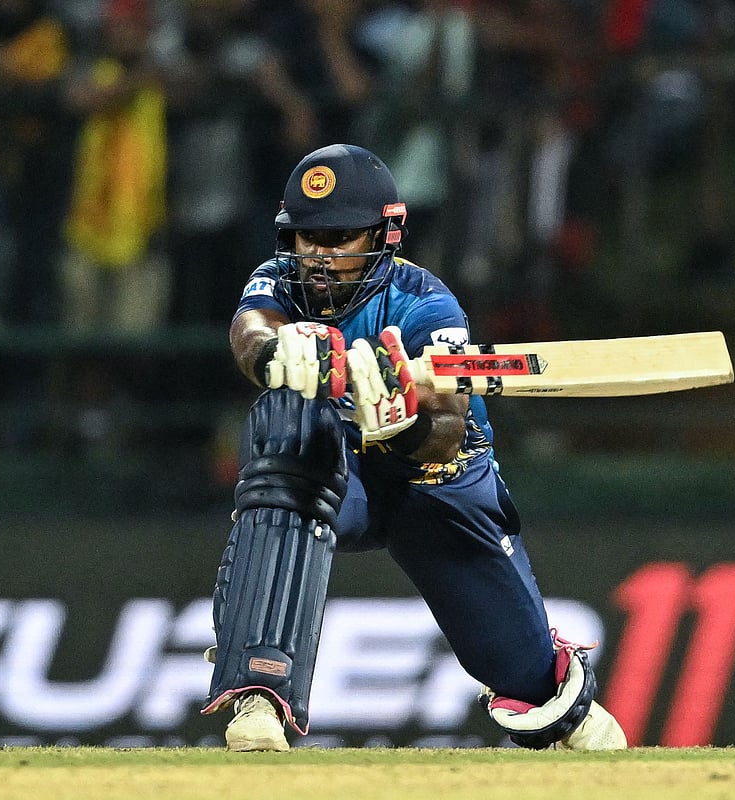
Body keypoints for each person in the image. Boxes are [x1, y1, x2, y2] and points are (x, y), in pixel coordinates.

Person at [200, 143, 628, 752]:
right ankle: (260, 692)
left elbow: (448, 429)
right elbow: (250, 332)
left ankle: (566, 705)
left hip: (438, 481)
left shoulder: (427, 304)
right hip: (339, 473)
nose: (319, 255)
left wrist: (403, 426)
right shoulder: (277, 284)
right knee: (285, 421)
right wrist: (278, 352)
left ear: (383, 233)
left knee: (531, 684)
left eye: (341, 235)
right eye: (306, 237)